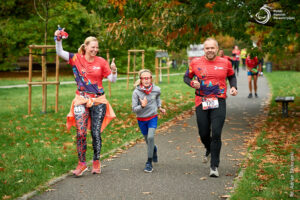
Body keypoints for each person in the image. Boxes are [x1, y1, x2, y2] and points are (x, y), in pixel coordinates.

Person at [54, 28, 117, 176]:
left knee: (95, 133)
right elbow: (59, 52)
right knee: (81, 132)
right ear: (86, 46)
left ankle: (96, 161)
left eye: (97, 47)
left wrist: (114, 71)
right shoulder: (76, 59)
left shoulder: (101, 62)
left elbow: (112, 81)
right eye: (92, 47)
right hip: (81, 99)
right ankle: (82, 164)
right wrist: (58, 39)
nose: (95, 49)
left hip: (98, 100)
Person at [184, 38, 238, 177]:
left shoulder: (226, 62)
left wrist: (233, 87)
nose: (209, 50)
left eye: (212, 48)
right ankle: (208, 149)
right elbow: (186, 77)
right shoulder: (195, 62)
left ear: (217, 49)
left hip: (219, 100)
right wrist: (192, 83)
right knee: (203, 133)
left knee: (216, 133)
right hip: (201, 101)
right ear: (204, 49)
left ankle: (214, 166)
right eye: (207, 48)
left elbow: (232, 76)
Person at [132, 69, 166, 173]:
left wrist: (160, 107)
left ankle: (149, 163)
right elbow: (134, 109)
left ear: (151, 79)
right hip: (141, 119)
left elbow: (157, 98)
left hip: (152, 117)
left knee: (151, 137)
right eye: (144, 78)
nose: (146, 80)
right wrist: (142, 106)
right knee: (148, 141)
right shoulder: (136, 92)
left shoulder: (156, 89)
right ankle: (154, 149)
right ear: (140, 80)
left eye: (148, 78)